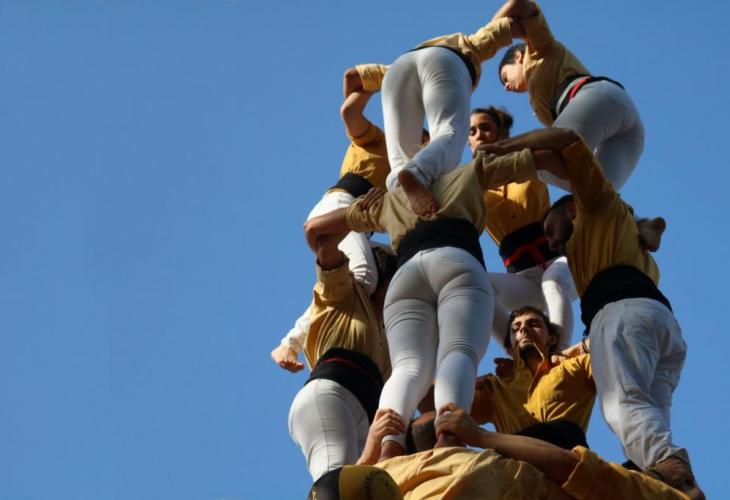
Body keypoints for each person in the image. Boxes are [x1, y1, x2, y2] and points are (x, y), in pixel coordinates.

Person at [303, 127, 580, 461]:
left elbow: (315, 229)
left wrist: (362, 214)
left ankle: (389, 446)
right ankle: (448, 437)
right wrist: (583, 185)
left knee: (408, 367)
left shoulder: (390, 200)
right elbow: (545, 159)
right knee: (458, 351)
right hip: (456, 261)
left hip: (406, 276)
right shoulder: (470, 172)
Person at [479, 127, 703, 498]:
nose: (551, 241)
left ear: (571, 210)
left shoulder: (595, 206)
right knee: (649, 413)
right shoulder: (610, 242)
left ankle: (672, 469)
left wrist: (504, 148)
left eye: (550, 229)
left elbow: (566, 139)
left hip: (620, 315)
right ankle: (667, 484)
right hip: (663, 326)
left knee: (622, 405)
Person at [271, 67, 399, 373]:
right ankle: (295, 340)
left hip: (358, 224)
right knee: (363, 277)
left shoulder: (414, 178)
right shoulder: (380, 144)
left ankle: (297, 340)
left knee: (390, 268)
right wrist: (397, 77)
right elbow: (349, 108)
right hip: (341, 208)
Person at [347, 12, 524, 217]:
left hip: (396, 69)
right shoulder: (466, 43)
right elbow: (502, 27)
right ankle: (415, 175)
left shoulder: (408, 58)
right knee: (448, 132)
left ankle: (407, 204)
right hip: (445, 61)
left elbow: (351, 77)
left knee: (400, 160)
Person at [287, 210, 397, 482]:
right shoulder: (344, 292)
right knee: (333, 480)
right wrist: (361, 215)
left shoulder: (392, 337)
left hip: (365, 415)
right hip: (331, 395)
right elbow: (323, 239)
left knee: (359, 491)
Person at [469, 107, 577, 347]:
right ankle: (516, 352)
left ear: (501, 134)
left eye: (485, 127)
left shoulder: (526, 163)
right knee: (474, 282)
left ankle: (558, 353)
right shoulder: (470, 185)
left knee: (553, 281)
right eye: (472, 131)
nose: (479, 134)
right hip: (523, 278)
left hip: (559, 260)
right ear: (468, 142)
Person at [421, 305, 594, 450]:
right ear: (510, 349)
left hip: (568, 467)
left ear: (552, 338)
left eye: (533, 324)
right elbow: (428, 400)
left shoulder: (575, 367)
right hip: (514, 473)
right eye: (515, 329)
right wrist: (468, 382)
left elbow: (606, 341)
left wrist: (574, 350)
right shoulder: (496, 389)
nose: (523, 329)